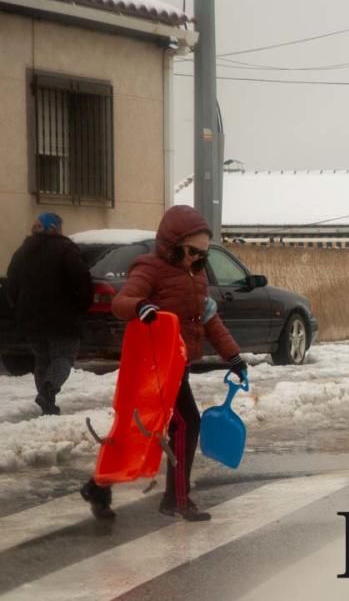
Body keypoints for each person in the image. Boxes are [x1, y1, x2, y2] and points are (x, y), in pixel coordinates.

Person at [80, 206, 249, 521]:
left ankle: (98, 486)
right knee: (183, 424)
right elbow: (121, 302)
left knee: (147, 428)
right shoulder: (149, 268)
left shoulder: (195, 275)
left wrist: (234, 356)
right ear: (173, 244)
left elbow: (210, 319)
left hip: (178, 363)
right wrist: (140, 306)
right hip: (154, 366)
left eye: (203, 253)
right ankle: (177, 499)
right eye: (192, 251)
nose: (198, 258)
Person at [5, 212, 93, 415]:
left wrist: (18, 308)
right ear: (54, 228)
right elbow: (81, 279)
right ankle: (49, 390)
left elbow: (12, 284)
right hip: (62, 317)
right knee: (64, 356)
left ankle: (47, 401)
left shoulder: (23, 252)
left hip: (30, 319)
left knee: (42, 358)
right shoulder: (65, 249)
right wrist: (82, 306)